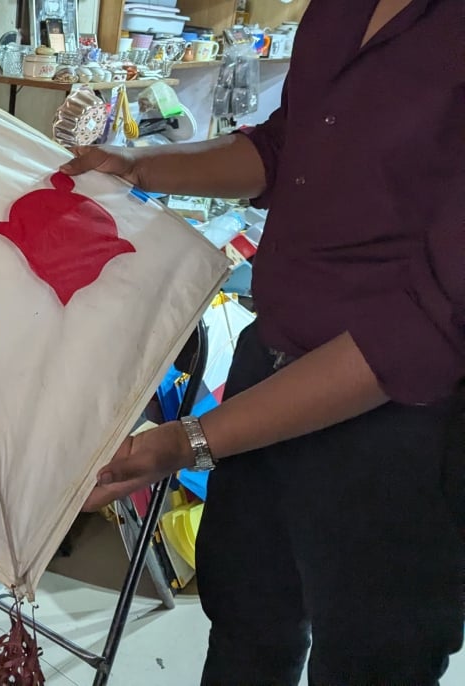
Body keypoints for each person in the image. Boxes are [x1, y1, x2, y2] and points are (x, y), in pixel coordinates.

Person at [62, 0, 464, 683]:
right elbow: (287, 145)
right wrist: (137, 165)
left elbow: (428, 323)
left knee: (371, 660)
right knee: (246, 623)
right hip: (271, 362)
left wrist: (187, 442)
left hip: (403, 429)